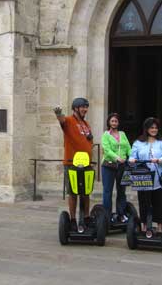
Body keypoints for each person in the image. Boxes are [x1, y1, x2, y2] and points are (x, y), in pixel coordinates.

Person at [54, 97, 93, 232]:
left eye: (86, 107)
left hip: (86, 164)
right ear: (76, 108)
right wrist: (58, 114)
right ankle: (72, 220)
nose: (85, 109)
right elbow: (62, 121)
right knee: (73, 192)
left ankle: (86, 218)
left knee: (86, 193)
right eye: (83, 107)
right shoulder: (70, 121)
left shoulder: (86, 124)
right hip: (72, 163)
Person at [129, 117, 162, 235]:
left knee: (160, 202)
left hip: (159, 178)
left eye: (156, 128)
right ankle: (144, 226)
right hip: (143, 177)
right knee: (144, 201)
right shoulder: (138, 142)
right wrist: (132, 160)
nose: (154, 130)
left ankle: (160, 227)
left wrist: (159, 160)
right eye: (151, 127)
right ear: (146, 128)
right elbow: (133, 155)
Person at [101, 112, 131, 223]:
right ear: (109, 122)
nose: (114, 123)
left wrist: (132, 156)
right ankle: (107, 215)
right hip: (109, 166)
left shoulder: (122, 134)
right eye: (112, 121)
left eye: (116, 121)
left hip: (122, 166)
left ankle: (121, 214)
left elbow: (128, 147)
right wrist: (117, 157)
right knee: (107, 191)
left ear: (118, 123)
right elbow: (107, 150)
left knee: (121, 191)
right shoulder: (105, 135)